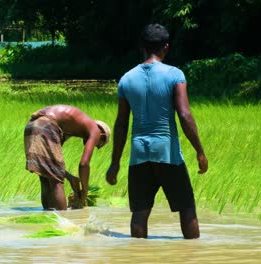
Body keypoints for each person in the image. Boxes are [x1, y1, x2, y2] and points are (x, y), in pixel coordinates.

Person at [106, 24, 208, 239]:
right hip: (167, 153)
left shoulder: (126, 79)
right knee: (187, 208)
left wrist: (115, 163)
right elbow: (184, 114)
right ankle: (193, 255)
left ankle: (138, 256)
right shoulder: (174, 75)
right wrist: (199, 151)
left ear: (142, 47)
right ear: (166, 47)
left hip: (139, 154)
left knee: (139, 213)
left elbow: (121, 124)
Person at [24, 104, 111, 210]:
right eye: (99, 144)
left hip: (32, 125)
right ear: (102, 135)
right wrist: (84, 190)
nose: (95, 146)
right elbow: (84, 164)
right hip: (47, 125)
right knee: (57, 182)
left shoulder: (69, 127)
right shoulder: (96, 130)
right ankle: (64, 221)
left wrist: (70, 177)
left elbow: (54, 165)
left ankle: (48, 216)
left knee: (46, 176)